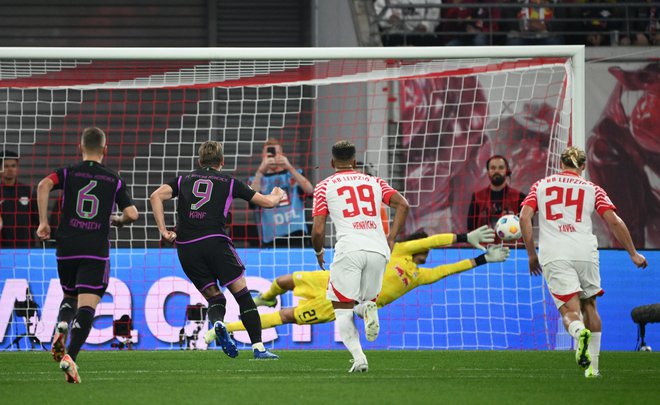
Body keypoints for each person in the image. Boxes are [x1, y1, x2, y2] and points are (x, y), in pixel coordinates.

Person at [519, 146, 648, 379]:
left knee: (570, 311)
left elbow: (524, 217)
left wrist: (531, 254)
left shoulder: (540, 185)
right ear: (583, 166)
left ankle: (579, 334)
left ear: (560, 164)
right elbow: (615, 221)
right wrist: (633, 253)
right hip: (585, 252)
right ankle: (593, 369)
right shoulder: (593, 189)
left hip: (556, 253)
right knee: (590, 307)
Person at [150, 140, 284, 360]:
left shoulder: (183, 179)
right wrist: (277, 195)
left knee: (215, 299)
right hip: (215, 242)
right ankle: (259, 348)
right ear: (222, 161)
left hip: (186, 247)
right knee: (243, 296)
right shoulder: (229, 182)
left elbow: (155, 196)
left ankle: (218, 322)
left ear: (199, 161)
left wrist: (164, 231)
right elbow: (267, 202)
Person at [229, 228, 507, 333]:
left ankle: (228, 328)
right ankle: (266, 296)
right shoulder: (398, 251)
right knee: (284, 279)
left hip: (344, 302)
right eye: (426, 247)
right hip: (334, 278)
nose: (429, 250)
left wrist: (481, 259)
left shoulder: (419, 277)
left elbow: (448, 270)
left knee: (288, 316)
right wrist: (463, 238)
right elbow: (431, 240)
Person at [36, 127, 139, 383]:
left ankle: (62, 325)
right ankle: (70, 356)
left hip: (66, 246)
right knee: (87, 306)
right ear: (106, 149)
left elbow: (43, 184)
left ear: (80, 148)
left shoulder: (68, 172)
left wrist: (43, 224)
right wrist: (118, 220)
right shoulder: (113, 179)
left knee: (70, 296)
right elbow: (133, 214)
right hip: (95, 249)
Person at [311, 140, 409, 373]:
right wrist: (392, 237)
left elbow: (317, 230)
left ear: (332, 162)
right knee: (364, 302)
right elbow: (403, 204)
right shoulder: (375, 182)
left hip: (349, 249)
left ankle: (359, 358)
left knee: (342, 309)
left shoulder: (324, 186)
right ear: (355, 162)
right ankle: (366, 308)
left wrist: (318, 250)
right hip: (378, 250)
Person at [249, 138, 313, 248]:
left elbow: (310, 191)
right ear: (263, 157)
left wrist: (289, 168)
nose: (273, 157)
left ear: (282, 155)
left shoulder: (295, 174)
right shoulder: (255, 180)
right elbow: (252, 202)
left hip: (297, 234)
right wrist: (260, 172)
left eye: (276, 153)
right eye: (269, 154)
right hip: (271, 238)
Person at [467, 155, 526, 233]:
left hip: (511, 244)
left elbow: (527, 227)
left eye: (501, 168)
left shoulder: (520, 197)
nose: (497, 171)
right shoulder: (477, 197)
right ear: (488, 172)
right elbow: (471, 228)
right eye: (493, 168)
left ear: (506, 171)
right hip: (485, 244)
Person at [0, 149, 38, 248]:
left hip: (26, 246)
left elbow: (37, 219)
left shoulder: (28, 191)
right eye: (6, 166)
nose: (10, 169)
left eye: (13, 166)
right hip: (3, 246)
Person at [374, 0, 443, 46]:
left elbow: (433, 18)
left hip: (422, 35)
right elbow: (379, 11)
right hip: (395, 33)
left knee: (431, 41)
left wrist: (425, 26)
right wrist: (389, 18)